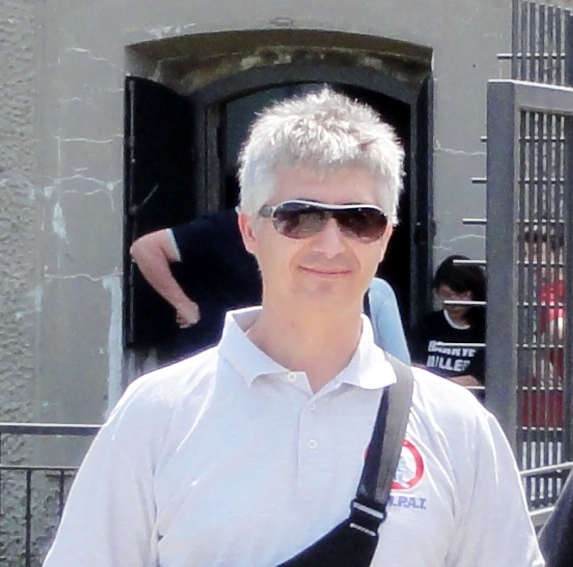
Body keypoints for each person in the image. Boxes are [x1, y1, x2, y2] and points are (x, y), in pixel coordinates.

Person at [43, 88, 542, 566]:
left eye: (359, 220)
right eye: (299, 217)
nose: (330, 244)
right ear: (249, 230)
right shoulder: (156, 415)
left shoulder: (458, 427)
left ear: (385, 238)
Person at [130, 211, 410, 363]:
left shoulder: (374, 290)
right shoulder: (217, 230)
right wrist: (183, 304)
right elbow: (145, 248)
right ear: (249, 230)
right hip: (216, 354)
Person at [409, 255, 486, 388]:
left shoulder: (485, 330)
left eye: (462, 295)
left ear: (475, 294)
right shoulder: (427, 324)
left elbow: (477, 380)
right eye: (446, 294)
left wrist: (433, 383)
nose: (454, 302)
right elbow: (412, 367)